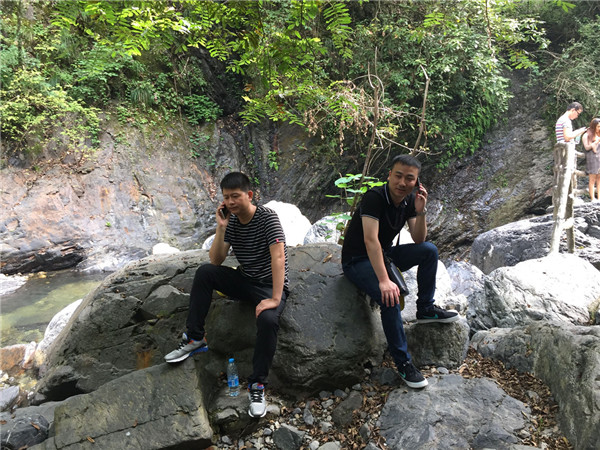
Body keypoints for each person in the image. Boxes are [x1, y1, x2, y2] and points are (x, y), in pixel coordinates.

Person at [164, 171, 289, 418]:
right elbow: (216, 260)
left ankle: (257, 385)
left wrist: (275, 298)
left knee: (268, 320)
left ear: (249, 195)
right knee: (205, 272)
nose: (230, 202)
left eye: (235, 196)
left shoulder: (267, 218)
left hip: (269, 285)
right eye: (226, 197)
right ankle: (195, 338)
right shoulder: (230, 221)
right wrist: (221, 228)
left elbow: (278, 257)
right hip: (245, 280)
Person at [341, 154, 458, 389]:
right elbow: (370, 240)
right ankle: (403, 363)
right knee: (390, 296)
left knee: (429, 250)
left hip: (384, 255)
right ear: (389, 176)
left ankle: (425, 308)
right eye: (398, 176)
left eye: (409, 178)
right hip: (357, 259)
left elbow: (419, 239)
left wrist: (421, 211)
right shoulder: (375, 197)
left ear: (416, 182)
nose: (402, 182)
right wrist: (384, 281)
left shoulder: (409, 199)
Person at [582, 117, 600, 202]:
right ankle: (593, 198)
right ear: (594, 126)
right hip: (592, 158)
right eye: (598, 126)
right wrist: (596, 142)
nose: (599, 128)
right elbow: (587, 147)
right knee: (592, 179)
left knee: (599, 179)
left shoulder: (599, 134)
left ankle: (599, 198)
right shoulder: (586, 135)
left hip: (599, 157)